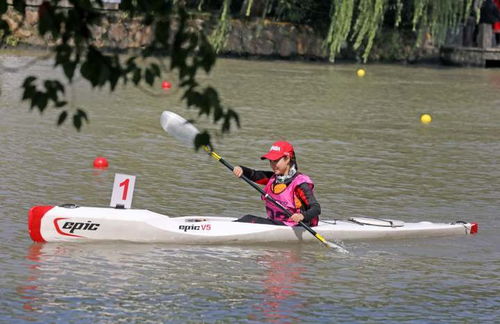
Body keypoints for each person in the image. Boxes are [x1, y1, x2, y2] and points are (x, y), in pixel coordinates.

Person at [233, 141, 320, 227]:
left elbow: (316, 208)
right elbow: (254, 174)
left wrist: (302, 216)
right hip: (276, 223)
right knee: (247, 218)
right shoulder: (273, 178)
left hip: (296, 225)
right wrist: (241, 169)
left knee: (248, 219)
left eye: (275, 161)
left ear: (287, 159)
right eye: (271, 161)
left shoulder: (300, 184)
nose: (272, 165)